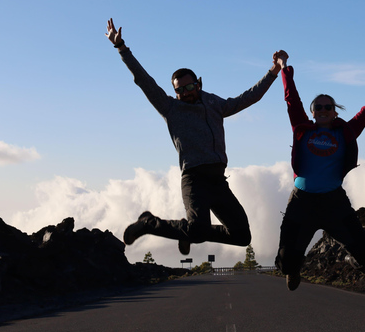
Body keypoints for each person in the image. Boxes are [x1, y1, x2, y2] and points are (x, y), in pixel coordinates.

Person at [106, 18, 285, 255]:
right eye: (179, 90)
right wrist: (122, 48)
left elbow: (249, 98)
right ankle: (149, 222)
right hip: (194, 179)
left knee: (242, 236)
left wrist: (274, 71)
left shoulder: (214, 104)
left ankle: (188, 230)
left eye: (189, 87)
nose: (185, 93)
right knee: (197, 229)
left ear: (198, 84)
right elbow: (144, 81)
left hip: (218, 180)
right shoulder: (170, 108)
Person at [274, 51, 365, 290]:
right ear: (312, 112)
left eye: (327, 106)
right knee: (286, 260)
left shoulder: (346, 131)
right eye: (318, 106)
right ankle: (292, 270)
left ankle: (359, 262)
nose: (322, 110)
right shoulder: (302, 128)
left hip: (334, 201)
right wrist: (284, 67)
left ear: (335, 111)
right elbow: (291, 98)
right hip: (302, 201)